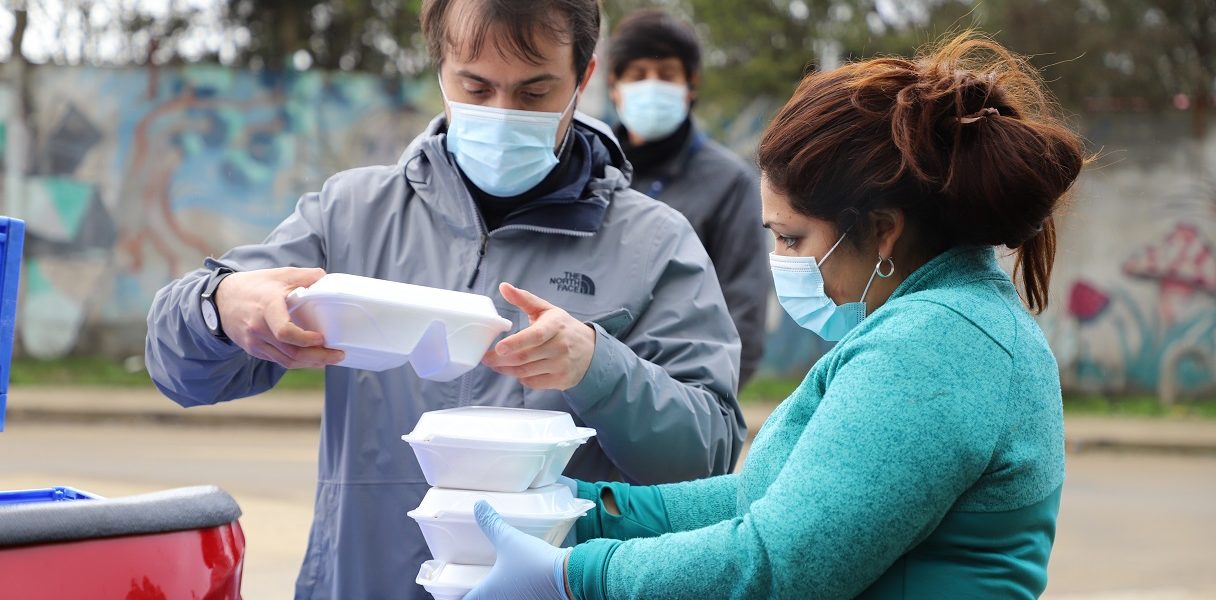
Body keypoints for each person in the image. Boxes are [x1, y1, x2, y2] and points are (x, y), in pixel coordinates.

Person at [144, 0, 747, 597]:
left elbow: (708, 463)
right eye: (476, 87)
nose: (503, 113)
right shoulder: (351, 214)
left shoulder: (655, 244)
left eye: (535, 93)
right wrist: (221, 307)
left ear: (584, 78)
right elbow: (179, 371)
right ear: (439, 69)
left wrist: (600, 368)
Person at [464, 32, 1084, 600]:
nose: (779, 260)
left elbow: (775, 563)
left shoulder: (932, 346)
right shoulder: (948, 321)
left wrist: (576, 577)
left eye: (790, 239)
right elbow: (766, 500)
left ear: (882, 232)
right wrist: (590, 509)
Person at [607, 10, 769, 386]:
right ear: (614, 84)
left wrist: (706, 407)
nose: (651, 86)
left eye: (666, 74)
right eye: (637, 74)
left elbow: (743, 311)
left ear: (690, 84)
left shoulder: (729, 183)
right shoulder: (589, 171)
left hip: (677, 398)